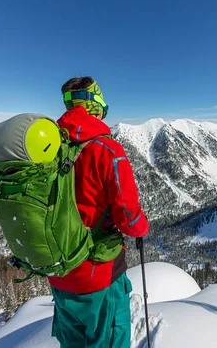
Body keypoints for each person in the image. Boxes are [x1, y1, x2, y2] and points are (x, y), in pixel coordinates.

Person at [48, 76, 149, 348]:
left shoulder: (47, 149)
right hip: (99, 274)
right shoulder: (107, 149)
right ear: (96, 103)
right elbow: (129, 219)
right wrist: (142, 228)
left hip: (59, 272)